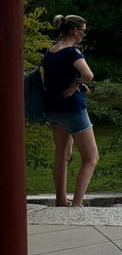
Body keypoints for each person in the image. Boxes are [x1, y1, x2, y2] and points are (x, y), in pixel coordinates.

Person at [42, 14, 98, 207]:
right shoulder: (72, 52)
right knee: (91, 158)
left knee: (62, 155)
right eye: (83, 30)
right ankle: (76, 204)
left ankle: (60, 200)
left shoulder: (51, 51)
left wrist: (75, 84)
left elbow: (56, 79)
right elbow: (88, 75)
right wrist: (77, 84)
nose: (84, 34)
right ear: (74, 31)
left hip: (54, 108)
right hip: (73, 109)